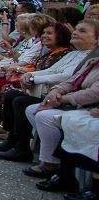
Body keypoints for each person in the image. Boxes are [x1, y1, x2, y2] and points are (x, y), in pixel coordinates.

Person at [22, 22, 99, 181]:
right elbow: (71, 80)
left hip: (87, 106)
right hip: (75, 101)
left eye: (82, 31)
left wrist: (61, 98)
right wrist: (57, 92)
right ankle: (51, 161)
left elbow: (93, 93)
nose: (75, 32)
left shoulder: (87, 56)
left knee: (45, 116)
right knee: (31, 109)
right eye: (76, 29)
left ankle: (54, 165)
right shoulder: (88, 58)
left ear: (96, 40)